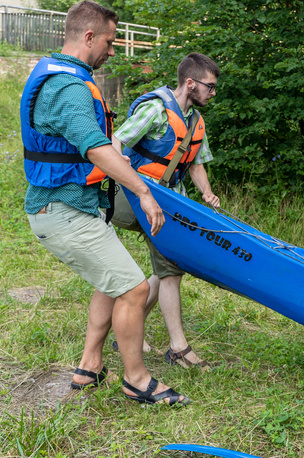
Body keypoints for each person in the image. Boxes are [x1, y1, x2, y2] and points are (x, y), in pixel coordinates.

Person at [21, 0, 188, 405]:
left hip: (77, 208)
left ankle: (89, 366)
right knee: (133, 289)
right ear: (89, 36)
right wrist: (144, 192)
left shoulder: (67, 78)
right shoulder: (67, 87)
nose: (112, 51)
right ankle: (136, 378)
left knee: (110, 282)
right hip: (61, 211)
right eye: (110, 42)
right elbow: (94, 148)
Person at [110, 53, 221, 371]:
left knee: (170, 266)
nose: (212, 93)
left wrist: (207, 193)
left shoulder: (196, 122)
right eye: (209, 87)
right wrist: (125, 171)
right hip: (139, 199)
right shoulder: (155, 109)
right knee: (171, 269)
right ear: (191, 83)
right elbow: (117, 139)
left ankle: (127, 331)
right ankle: (179, 348)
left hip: (172, 201)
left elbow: (196, 162)